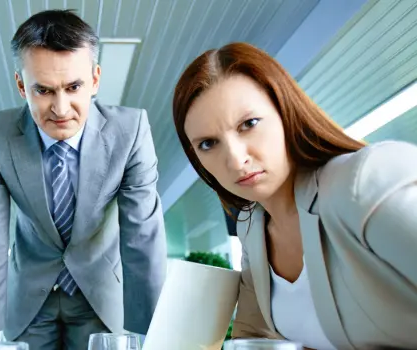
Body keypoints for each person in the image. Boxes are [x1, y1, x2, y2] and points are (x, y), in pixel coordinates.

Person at [172, 42, 417, 349]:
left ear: (286, 112)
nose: (235, 160)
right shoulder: (252, 225)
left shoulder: (364, 181)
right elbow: (252, 338)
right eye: (208, 143)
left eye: (248, 124)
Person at [0, 9, 167, 350]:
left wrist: (150, 336)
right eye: (42, 90)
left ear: (96, 79)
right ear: (20, 86)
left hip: (100, 297)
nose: (60, 108)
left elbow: (142, 240)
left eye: (74, 87)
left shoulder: (130, 132)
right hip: (28, 299)